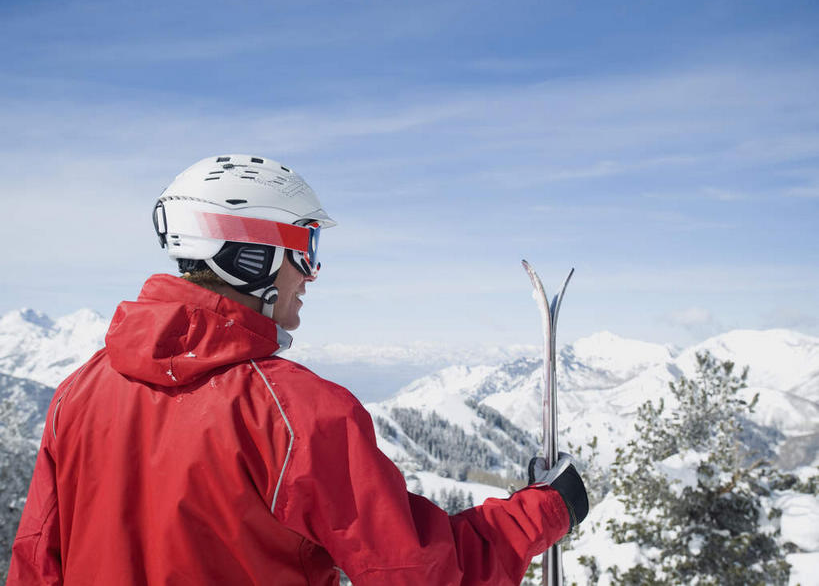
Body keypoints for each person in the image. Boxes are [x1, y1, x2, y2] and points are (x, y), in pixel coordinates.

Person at [8, 154, 588, 585]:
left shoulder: (76, 395)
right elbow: (419, 569)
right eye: (306, 248)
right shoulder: (292, 415)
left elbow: (37, 561)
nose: (312, 274)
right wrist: (544, 509)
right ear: (252, 256)